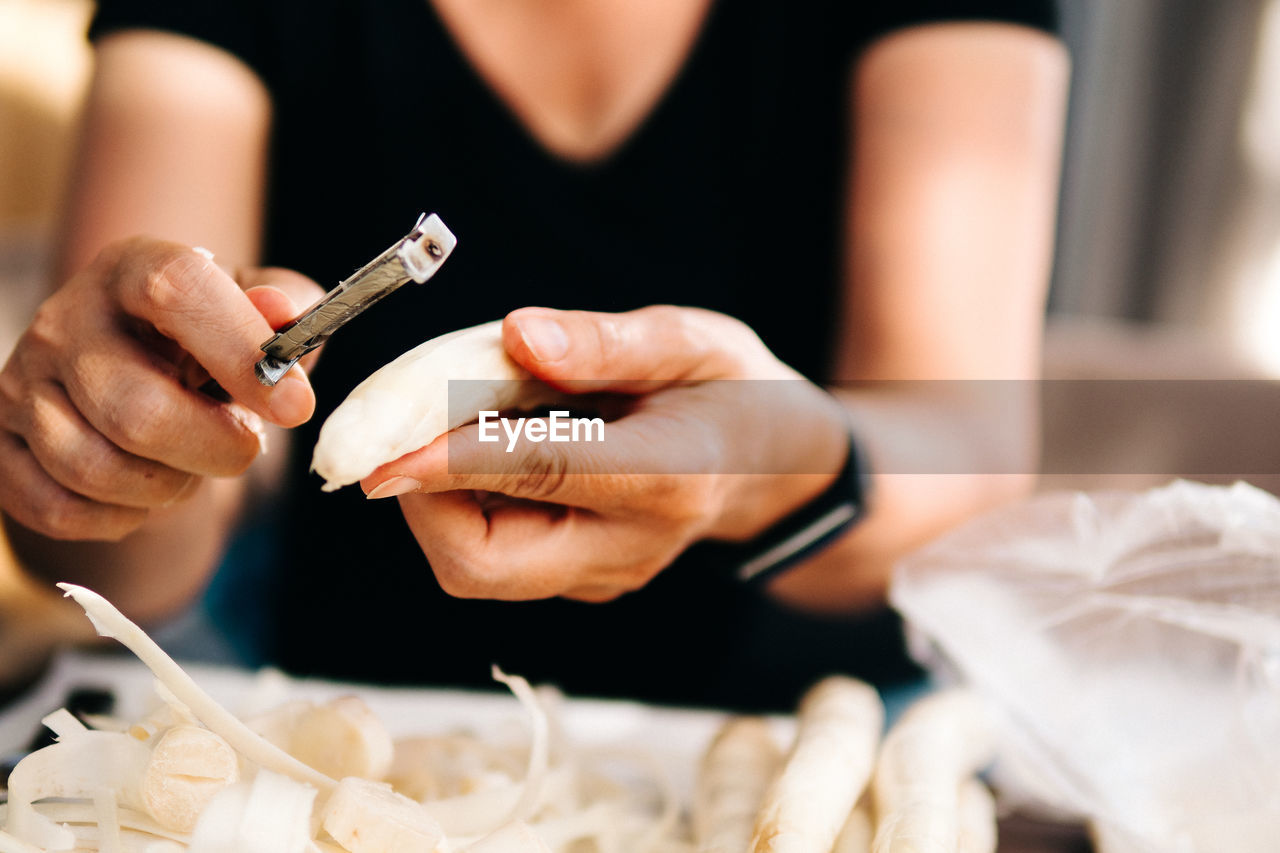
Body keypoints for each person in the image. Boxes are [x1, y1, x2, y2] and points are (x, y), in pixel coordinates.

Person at [0, 0, 1067, 710]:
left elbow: (963, 459)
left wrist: (763, 471)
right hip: (344, 715)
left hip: (799, 726)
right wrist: (121, 449)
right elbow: (121, 566)